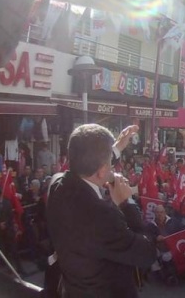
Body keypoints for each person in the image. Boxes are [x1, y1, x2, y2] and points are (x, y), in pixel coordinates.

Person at [46, 124, 156, 297]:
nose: (112, 167)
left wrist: (116, 149)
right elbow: (146, 253)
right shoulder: (103, 217)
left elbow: (87, 162)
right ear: (102, 169)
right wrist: (127, 203)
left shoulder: (56, 184)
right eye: (110, 163)